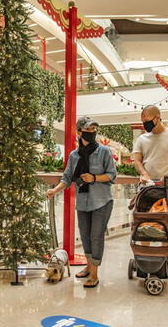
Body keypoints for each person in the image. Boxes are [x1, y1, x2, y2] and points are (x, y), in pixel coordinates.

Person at [46, 116, 117, 288]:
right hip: (83, 202)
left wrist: (94, 177)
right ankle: (88, 265)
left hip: (102, 201)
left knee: (96, 237)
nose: (92, 133)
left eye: (94, 130)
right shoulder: (74, 155)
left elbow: (112, 175)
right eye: (88, 130)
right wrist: (55, 190)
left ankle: (94, 274)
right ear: (79, 132)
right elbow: (68, 177)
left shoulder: (104, 151)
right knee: (85, 236)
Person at [133, 105, 168, 184]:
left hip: (167, 185)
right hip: (146, 184)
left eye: (146, 121)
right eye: (143, 121)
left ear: (157, 118)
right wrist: (144, 174)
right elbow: (137, 160)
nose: (144, 124)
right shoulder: (141, 139)